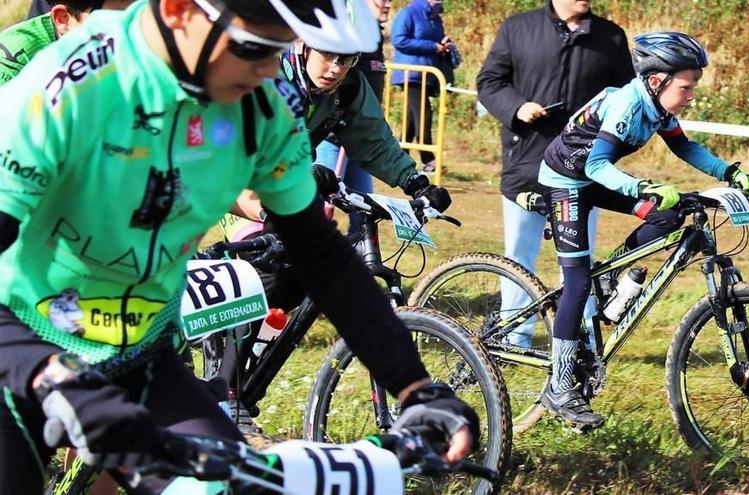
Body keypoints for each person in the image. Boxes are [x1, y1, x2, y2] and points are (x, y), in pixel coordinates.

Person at [0, 0, 476, 492]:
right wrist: (46, 372)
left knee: (226, 486)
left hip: (136, 352)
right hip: (18, 342)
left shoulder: (264, 104)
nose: (270, 71)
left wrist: (415, 385)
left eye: (281, 48)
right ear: (180, 10)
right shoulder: (76, 82)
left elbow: (322, 256)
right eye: (254, 47)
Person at [215, 32, 452, 428]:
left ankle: (247, 362)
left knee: (306, 275)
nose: (336, 69)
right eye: (328, 56)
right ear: (304, 47)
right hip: (233, 177)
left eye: (347, 60)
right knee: (268, 271)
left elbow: (374, 142)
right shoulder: (269, 75)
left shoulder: (348, 87)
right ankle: (227, 391)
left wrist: (415, 182)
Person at [535, 32, 749, 428]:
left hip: (593, 177)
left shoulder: (658, 109)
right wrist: (641, 187)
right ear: (657, 81)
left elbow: (685, 147)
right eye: (686, 87)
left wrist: (729, 171)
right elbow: (595, 166)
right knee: (577, 283)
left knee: (668, 217)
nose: (692, 96)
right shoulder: (626, 103)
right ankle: (560, 385)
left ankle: (611, 277)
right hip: (566, 182)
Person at [476, 0, 634, 348]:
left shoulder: (611, 38)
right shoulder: (516, 29)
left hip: (581, 173)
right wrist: (517, 107)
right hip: (526, 167)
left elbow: (629, 97)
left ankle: (583, 341)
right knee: (519, 254)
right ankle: (513, 338)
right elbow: (489, 82)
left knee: (579, 260)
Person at [313, 0, 392, 232]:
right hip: (331, 139)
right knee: (317, 212)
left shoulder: (374, 38)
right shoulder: (344, 35)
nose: (387, 4)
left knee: (365, 214)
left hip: (358, 140)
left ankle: (356, 265)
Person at [390, 0, 457, 173]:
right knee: (424, 115)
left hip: (428, 75)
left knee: (411, 120)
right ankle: (429, 159)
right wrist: (433, 46)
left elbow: (434, 42)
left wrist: (443, 43)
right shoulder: (409, 13)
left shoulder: (435, 17)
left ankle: (397, 158)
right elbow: (398, 40)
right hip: (411, 73)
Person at [0, 0, 135, 86]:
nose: (126, 29)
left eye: (136, 10)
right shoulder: (15, 62)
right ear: (63, 19)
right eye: (108, 19)